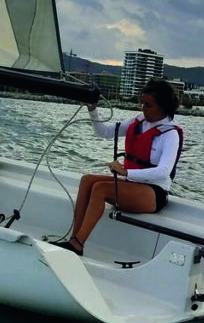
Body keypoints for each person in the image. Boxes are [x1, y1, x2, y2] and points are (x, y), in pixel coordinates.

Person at [54, 79, 182, 256]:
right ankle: (74, 238)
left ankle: (77, 245)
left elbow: (163, 172)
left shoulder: (170, 134)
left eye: (148, 105)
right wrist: (93, 109)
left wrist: (125, 171)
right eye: (142, 103)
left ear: (163, 106)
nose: (143, 108)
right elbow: (103, 132)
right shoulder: (139, 121)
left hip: (154, 192)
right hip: (133, 184)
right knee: (87, 180)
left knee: (100, 189)